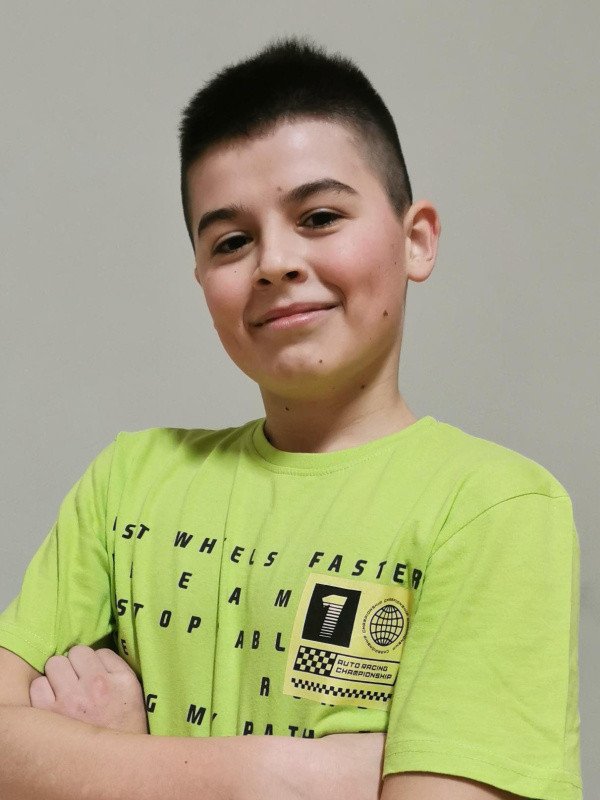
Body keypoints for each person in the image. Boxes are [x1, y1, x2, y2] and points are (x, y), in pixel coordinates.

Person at [0, 35, 582, 800]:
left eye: (319, 216)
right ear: (202, 277)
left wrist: (106, 762)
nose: (274, 262)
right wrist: (287, 776)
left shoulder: (493, 508)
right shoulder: (128, 482)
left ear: (416, 241)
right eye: (232, 241)